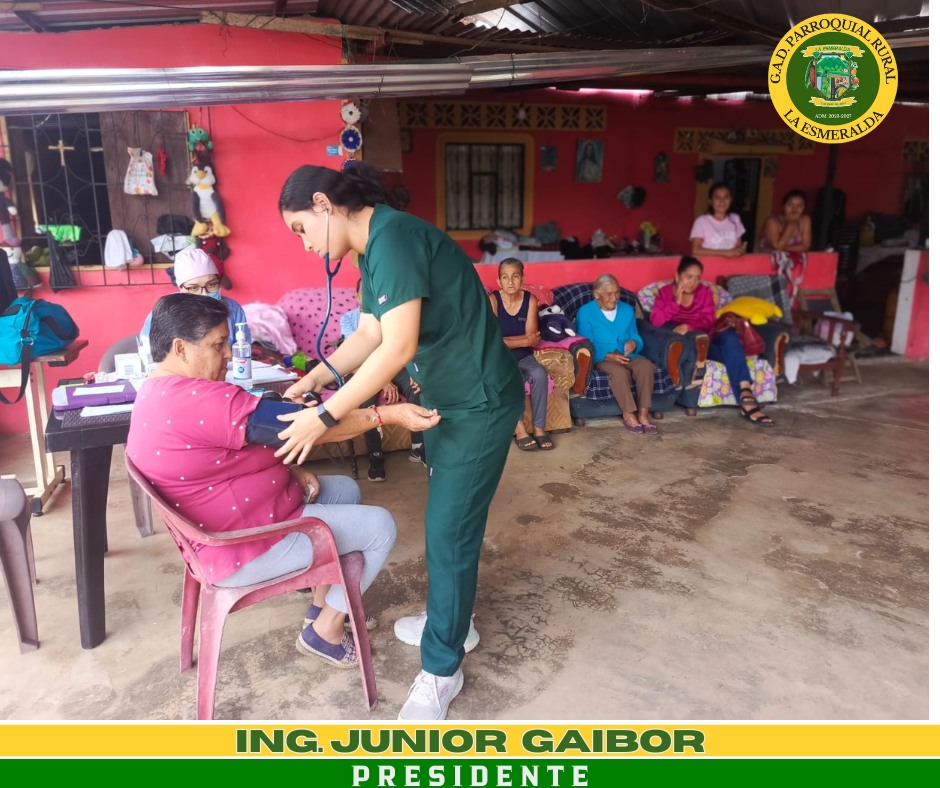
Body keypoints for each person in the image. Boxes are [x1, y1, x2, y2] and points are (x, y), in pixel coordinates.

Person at [276, 162, 524, 720]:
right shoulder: (373, 250)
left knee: (449, 532)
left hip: (479, 403)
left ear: (324, 205)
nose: (306, 244)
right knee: (450, 524)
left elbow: (397, 347)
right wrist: (317, 378)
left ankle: (442, 668)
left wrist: (327, 414)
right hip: (448, 403)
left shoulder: (396, 238)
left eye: (301, 229)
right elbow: (369, 333)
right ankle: (453, 623)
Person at [127, 294, 440, 667]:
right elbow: (316, 429)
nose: (228, 354)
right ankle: (325, 631)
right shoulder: (200, 400)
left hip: (227, 522)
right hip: (241, 544)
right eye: (217, 344)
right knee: (381, 527)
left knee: (345, 489)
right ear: (180, 348)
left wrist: (289, 469)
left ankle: (323, 603)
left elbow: (224, 451)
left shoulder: (155, 392)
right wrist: (387, 415)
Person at [650, 256, 773, 427]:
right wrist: (675, 302)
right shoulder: (665, 292)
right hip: (693, 345)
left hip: (710, 336)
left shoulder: (704, 292)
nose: (693, 282)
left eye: (697, 278)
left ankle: (746, 392)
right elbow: (656, 321)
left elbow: (709, 321)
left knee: (730, 338)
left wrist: (688, 326)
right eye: (688, 276)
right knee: (731, 355)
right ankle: (747, 400)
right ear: (677, 275)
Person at [341, 278, 428, 481]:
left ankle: (418, 447)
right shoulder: (349, 319)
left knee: (416, 386)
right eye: (364, 293)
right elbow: (353, 359)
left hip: (393, 367)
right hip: (362, 368)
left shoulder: (391, 316)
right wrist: (383, 380)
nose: (369, 298)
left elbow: (402, 349)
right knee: (366, 398)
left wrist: (415, 374)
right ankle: (375, 455)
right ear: (357, 297)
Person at [576, 274, 658, 434]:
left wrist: (634, 343)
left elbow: (635, 336)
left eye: (617, 292)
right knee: (619, 373)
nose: (614, 298)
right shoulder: (585, 312)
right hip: (602, 357)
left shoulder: (627, 310)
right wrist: (607, 356)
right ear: (597, 294)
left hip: (628, 355)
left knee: (646, 367)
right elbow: (584, 343)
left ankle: (643, 414)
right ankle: (629, 414)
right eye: (609, 294)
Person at [488, 258, 554, 451]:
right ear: (499, 281)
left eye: (515, 276)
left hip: (524, 356)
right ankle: (520, 430)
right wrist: (524, 340)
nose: (510, 282)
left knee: (540, 374)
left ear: (523, 279)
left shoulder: (530, 300)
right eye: (505, 277)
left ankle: (539, 429)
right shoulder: (493, 300)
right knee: (514, 378)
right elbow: (493, 341)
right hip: (501, 358)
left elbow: (532, 338)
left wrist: (512, 340)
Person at [140, 245, 247, 346]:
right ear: (181, 288)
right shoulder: (166, 310)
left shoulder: (233, 309)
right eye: (194, 288)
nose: (204, 294)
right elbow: (148, 348)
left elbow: (243, 348)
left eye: (211, 285)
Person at [690, 182, 746, 258]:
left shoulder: (735, 218)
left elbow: (738, 245)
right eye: (717, 197)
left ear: (731, 200)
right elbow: (696, 250)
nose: (722, 201)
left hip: (731, 264)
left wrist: (740, 250)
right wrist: (725, 253)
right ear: (710, 201)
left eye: (726, 197)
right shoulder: (702, 221)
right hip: (709, 264)